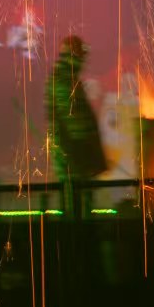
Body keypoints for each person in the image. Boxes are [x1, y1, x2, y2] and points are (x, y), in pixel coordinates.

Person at [46, 36, 107, 212]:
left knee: (75, 206)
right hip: (74, 160)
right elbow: (74, 122)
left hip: (72, 158)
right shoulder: (64, 79)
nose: (84, 60)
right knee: (78, 210)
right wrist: (87, 154)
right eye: (82, 54)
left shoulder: (65, 77)